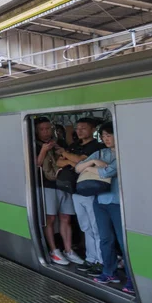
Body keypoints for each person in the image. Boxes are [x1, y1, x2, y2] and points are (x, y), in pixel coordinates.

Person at [75, 122, 134, 294]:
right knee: (105, 239)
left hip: (119, 202)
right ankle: (109, 272)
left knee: (124, 242)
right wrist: (93, 162)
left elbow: (109, 172)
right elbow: (78, 168)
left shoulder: (125, 153)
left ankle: (132, 278)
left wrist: (91, 169)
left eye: (110, 135)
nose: (106, 139)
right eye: (104, 136)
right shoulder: (100, 153)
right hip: (100, 201)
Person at [57, 118, 105, 276]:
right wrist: (75, 163)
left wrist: (68, 157)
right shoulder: (75, 146)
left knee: (96, 227)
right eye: (78, 128)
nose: (79, 131)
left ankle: (101, 260)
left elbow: (80, 160)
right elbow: (59, 162)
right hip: (76, 190)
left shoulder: (96, 146)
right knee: (85, 227)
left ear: (93, 130)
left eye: (84, 128)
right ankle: (91, 258)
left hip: (90, 190)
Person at [35, 117, 83, 266]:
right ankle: (54, 250)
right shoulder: (33, 145)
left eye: (48, 128)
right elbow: (35, 165)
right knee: (50, 219)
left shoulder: (60, 143)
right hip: (47, 186)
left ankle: (68, 250)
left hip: (64, 185)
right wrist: (43, 150)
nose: (45, 132)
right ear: (36, 131)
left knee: (66, 218)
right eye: (42, 129)